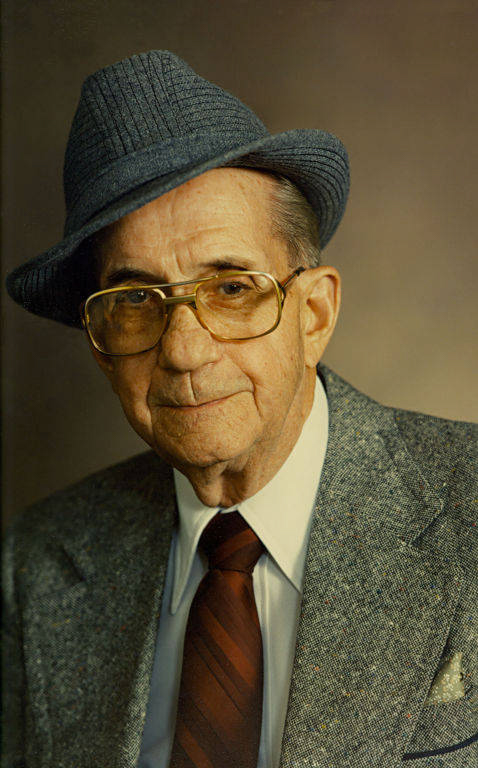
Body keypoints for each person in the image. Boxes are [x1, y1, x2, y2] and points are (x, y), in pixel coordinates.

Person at [3, 50, 477, 768]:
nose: (186, 352)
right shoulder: (36, 567)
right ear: (102, 346)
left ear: (314, 314)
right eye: (135, 301)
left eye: (229, 288)